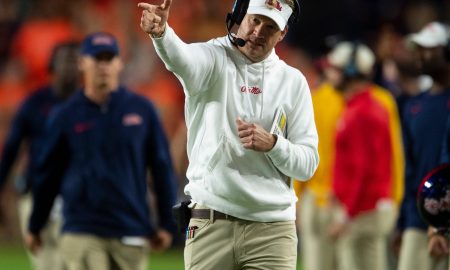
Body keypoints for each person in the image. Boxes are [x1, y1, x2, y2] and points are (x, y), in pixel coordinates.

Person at [138, 0, 320, 269]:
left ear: (282, 34)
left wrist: (273, 145)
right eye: (255, 20)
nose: (258, 31)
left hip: (272, 231)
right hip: (210, 222)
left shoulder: (293, 82)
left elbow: (308, 165)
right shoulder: (213, 58)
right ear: (240, 15)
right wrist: (162, 33)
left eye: (270, 26)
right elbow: (182, 58)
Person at [24, 32, 177, 270]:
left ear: (119, 62)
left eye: (109, 58)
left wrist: (167, 222)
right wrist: (36, 224)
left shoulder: (142, 110)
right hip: (82, 226)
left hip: (131, 228)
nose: (103, 65)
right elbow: (48, 175)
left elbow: (161, 167)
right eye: (97, 59)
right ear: (82, 63)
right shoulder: (66, 115)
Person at [296, 52, 405, 270]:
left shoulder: (362, 112)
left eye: (335, 70)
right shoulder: (364, 106)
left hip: (361, 211)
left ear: (351, 72)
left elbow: (364, 170)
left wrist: (347, 214)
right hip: (361, 207)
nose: (329, 74)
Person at [0, 41, 80, 270]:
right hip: (37, 191)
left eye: (75, 61)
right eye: (66, 60)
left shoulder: (90, 105)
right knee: (46, 264)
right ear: (52, 65)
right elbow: (12, 149)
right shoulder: (35, 103)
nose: (70, 67)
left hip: (78, 197)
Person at [396, 21, 450, 270]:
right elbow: (409, 167)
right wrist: (402, 222)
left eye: (428, 49)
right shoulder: (413, 106)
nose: (420, 55)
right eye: (418, 49)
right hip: (419, 220)